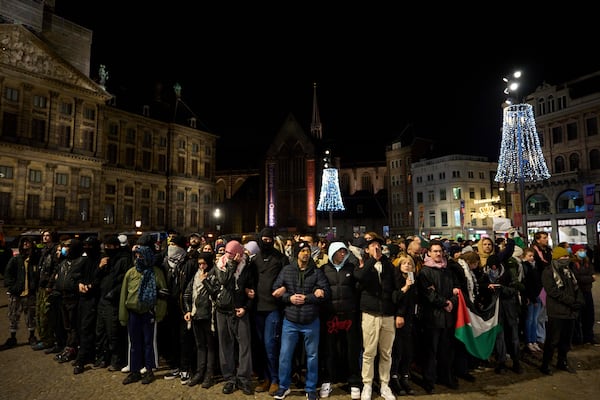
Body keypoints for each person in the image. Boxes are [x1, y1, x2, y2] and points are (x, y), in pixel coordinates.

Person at [271, 240, 330, 400]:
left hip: (311, 320)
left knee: (312, 356)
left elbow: (325, 292)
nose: (306, 253)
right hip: (290, 320)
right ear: (297, 253)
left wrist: (309, 298)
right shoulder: (287, 270)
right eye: (303, 251)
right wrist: (289, 298)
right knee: (285, 355)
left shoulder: (316, 272)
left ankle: (311, 388)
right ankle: (284, 387)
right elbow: (275, 290)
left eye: (308, 251)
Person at [205, 240, 255, 395]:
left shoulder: (247, 267)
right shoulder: (220, 265)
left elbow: (252, 289)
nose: (228, 256)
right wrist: (232, 265)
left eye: (231, 254)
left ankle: (244, 378)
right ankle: (229, 378)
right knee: (225, 345)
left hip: (239, 311)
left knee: (244, 345)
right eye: (226, 253)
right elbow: (223, 280)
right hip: (222, 310)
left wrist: (246, 307)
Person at [353, 235, 398, 400]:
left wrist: (397, 312)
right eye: (372, 246)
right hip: (370, 314)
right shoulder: (364, 265)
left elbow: (395, 286)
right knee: (369, 352)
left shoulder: (388, 265)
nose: (376, 248)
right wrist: (372, 260)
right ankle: (367, 384)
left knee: (386, 352)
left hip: (387, 314)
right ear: (367, 249)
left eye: (378, 245)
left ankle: (385, 385)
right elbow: (359, 277)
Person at [119, 243, 168, 385]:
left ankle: (149, 370)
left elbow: (163, 294)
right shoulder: (131, 273)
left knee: (148, 343)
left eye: (141, 255)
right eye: (136, 255)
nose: (138, 258)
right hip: (133, 313)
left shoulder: (156, 272)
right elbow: (124, 295)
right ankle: (134, 371)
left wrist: (159, 312)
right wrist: (123, 315)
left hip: (149, 313)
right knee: (134, 343)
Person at [249, 227, 289, 396]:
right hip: (257, 308)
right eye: (263, 239)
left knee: (270, 345)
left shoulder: (281, 259)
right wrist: (248, 290)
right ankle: (266, 378)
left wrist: (284, 288)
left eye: (269, 239)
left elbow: (289, 278)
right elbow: (249, 279)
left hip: (273, 308)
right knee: (260, 346)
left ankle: (275, 379)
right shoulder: (254, 259)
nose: (266, 242)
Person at [319, 241, 362, 399]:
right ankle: (328, 380)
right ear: (332, 253)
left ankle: (354, 382)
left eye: (344, 251)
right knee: (329, 349)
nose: (343, 254)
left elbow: (358, 288)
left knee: (351, 349)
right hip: (331, 316)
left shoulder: (351, 268)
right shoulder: (323, 270)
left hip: (349, 315)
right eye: (340, 251)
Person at [416, 239, 458, 394]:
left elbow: (455, 289)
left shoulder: (447, 270)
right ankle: (429, 380)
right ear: (429, 253)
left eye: (440, 251)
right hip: (432, 318)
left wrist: (452, 301)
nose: (438, 254)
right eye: (435, 251)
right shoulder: (425, 272)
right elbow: (429, 294)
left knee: (446, 350)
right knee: (430, 351)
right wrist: (445, 302)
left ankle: (445, 377)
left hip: (447, 317)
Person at [539, 246, 585, 375]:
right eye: (563, 257)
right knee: (553, 340)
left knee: (566, 340)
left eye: (567, 257)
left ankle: (562, 361)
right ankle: (546, 364)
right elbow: (553, 291)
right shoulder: (548, 272)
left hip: (570, 312)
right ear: (557, 258)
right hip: (557, 311)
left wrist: (579, 301)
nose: (566, 259)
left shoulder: (568, 271)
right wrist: (572, 302)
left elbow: (576, 288)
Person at [94, 234, 132, 371]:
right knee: (101, 331)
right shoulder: (104, 260)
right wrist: (100, 267)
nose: (106, 249)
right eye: (105, 247)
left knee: (113, 332)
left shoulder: (124, 259)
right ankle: (104, 357)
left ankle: (117, 360)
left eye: (109, 247)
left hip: (113, 301)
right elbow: (96, 278)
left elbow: (123, 280)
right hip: (102, 299)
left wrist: (113, 294)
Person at [183, 251, 217, 388]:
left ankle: (209, 375)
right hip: (196, 315)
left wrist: (205, 280)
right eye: (199, 264)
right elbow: (187, 293)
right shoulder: (196, 275)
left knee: (210, 346)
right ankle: (199, 372)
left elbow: (215, 293)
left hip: (209, 316)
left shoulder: (214, 274)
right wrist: (188, 310)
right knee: (200, 346)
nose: (201, 266)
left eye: (204, 263)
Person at [1, 236, 39, 350]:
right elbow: (7, 274)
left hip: (29, 294)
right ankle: (12, 337)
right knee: (13, 316)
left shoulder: (34, 260)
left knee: (30, 316)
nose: (26, 244)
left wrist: (34, 286)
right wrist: (12, 287)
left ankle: (32, 336)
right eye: (24, 243)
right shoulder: (16, 259)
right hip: (16, 294)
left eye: (28, 243)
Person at [390, 253, 418, 396]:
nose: (407, 266)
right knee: (397, 350)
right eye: (404, 263)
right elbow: (394, 298)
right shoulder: (396, 279)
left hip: (410, 319)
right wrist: (405, 287)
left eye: (410, 264)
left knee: (408, 349)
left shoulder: (413, 279)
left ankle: (405, 376)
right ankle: (394, 377)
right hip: (398, 319)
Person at [31, 230, 59, 351]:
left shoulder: (54, 250)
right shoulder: (44, 250)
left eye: (47, 236)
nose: (45, 237)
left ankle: (48, 340)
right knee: (39, 313)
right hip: (41, 285)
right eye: (44, 236)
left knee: (46, 314)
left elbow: (55, 269)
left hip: (48, 286)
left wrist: (50, 284)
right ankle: (43, 338)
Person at [571, 246, 596, 345]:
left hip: (587, 291)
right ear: (575, 253)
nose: (583, 252)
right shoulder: (573, 264)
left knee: (589, 316)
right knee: (579, 316)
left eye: (583, 250)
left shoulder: (587, 263)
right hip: (578, 292)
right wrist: (588, 278)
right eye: (580, 250)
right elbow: (577, 278)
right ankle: (578, 338)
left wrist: (586, 278)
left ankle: (589, 337)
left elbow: (593, 276)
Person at [522, 247, 543, 353]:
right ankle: (528, 341)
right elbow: (527, 284)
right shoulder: (525, 267)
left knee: (534, 320)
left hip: (537, 296)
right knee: (529, 320)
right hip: (531, 298)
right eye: (529, 256)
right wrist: (531, 297)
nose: (532, 258)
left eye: (533, 256)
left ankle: (534, 341)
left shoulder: (535, 267)